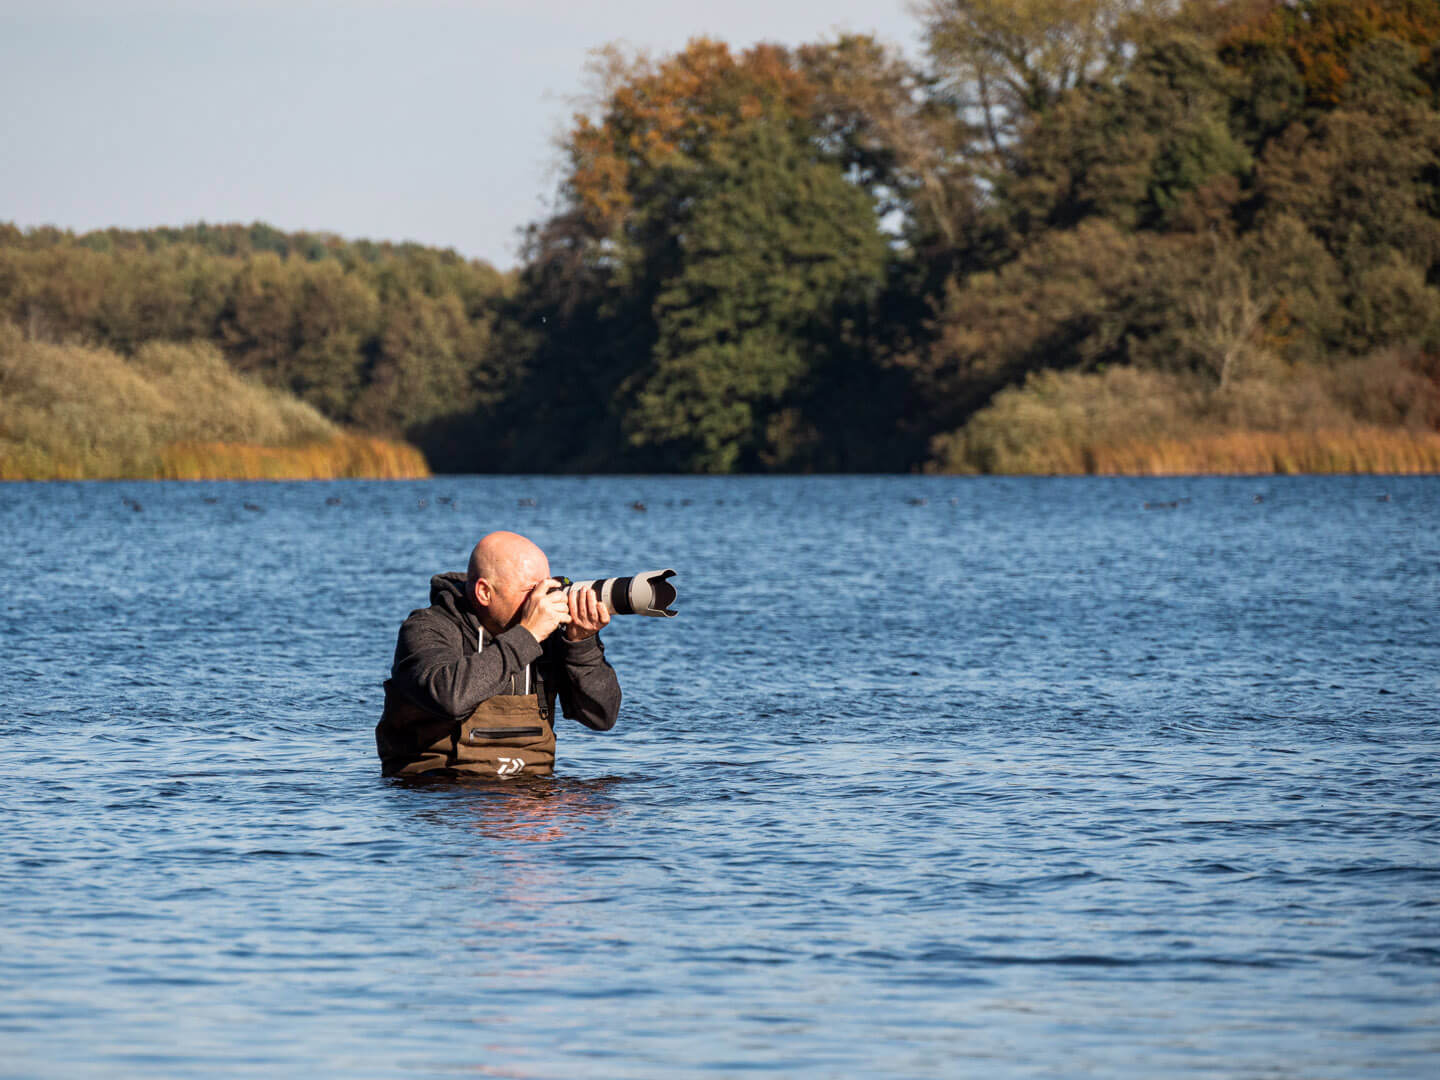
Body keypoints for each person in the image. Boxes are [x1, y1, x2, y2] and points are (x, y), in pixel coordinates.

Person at [376, 531, 621, 778]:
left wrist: (581, 644)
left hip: (533, 797)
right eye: (533, 589)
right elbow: (450, 698)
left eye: (549, 586)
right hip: (445, 795)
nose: (543, 600)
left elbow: (602, 717)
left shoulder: (550, 636)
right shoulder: (427, 628)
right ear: (484, 592)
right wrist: (528, 635)